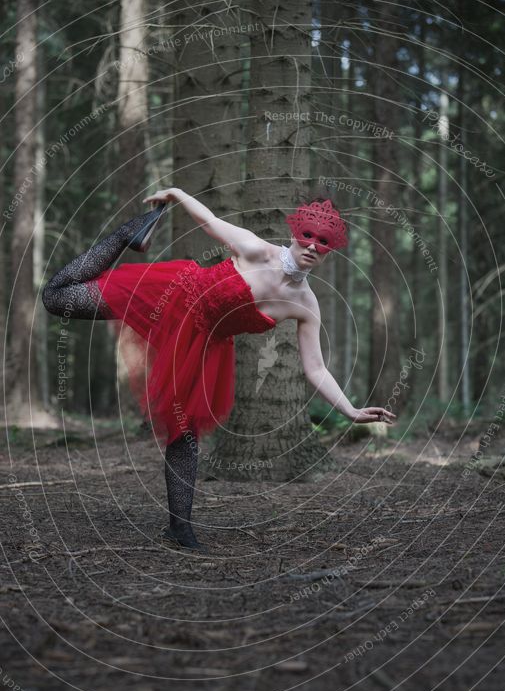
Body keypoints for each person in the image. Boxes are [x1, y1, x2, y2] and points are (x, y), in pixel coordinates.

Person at [42, 190, 395, 552]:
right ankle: (127, 234)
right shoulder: (258, 251)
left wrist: (350, 410)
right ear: (294, 234)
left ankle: (180, 529)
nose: (313, 247)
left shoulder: (305, 304)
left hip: (201, 346)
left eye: (323, 243)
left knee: (184, 432)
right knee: (56, 296)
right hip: (174, 294)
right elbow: (210, 223)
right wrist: (177, 194)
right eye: (308, 236)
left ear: (329, 251)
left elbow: (316, 368)